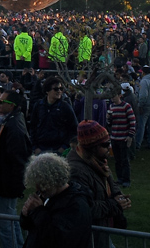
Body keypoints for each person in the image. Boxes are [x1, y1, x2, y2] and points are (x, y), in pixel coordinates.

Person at [67, 120, 131, 248]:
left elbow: (110, 183)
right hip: (88, 237)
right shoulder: (76, 171)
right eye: (105, 144)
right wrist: (115, 205)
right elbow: (84, 208)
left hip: (101, 231)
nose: (109, 147)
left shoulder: (98, 162)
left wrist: (119, 197)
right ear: (92, 147)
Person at [0, 90, 30, 248]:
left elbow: (16, 159)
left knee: (5, 220)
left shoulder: (13, 126)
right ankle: (19, 244)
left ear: (12, 106)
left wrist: (11, 183)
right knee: (10, 216)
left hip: (9, 180)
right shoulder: (10, 120)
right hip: (7, 178)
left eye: (1, 102)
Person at [19, 153, 93, 248]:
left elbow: (60, 239)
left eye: (42, 184)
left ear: (53, 180)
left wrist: (38, 211)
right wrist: (26, 213)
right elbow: (29, 226)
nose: (38, 189)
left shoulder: (76, 204)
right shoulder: (47, 195)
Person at [29, 77, 78, 155]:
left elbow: (74, 128)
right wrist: (35, 147)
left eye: (61, 89)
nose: (59, 91)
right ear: (47, 91)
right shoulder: (38, 105)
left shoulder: (65, 106)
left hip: (59, 149)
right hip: (41, 148)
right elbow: (33, 126)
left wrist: (64, 147)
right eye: (56, 89)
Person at [106, 87, 136, 187]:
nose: (112, 98)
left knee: (125, 160)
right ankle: (119, 178)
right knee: (117, 160)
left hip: (123, 138)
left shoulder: (126, 106)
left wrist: (130, 135)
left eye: (114, 96)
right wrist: (108, 119)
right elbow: (110, 124)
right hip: (114, 137)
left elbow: (132, 121)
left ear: (120, 96)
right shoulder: (111, 107)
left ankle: (126, 180)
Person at [135, 66, 150, 151]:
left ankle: (138, 143)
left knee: (141, 125)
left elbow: (143, 95)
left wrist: (140, 105)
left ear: (143, 72)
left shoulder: (144, 81)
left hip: (146, 106)